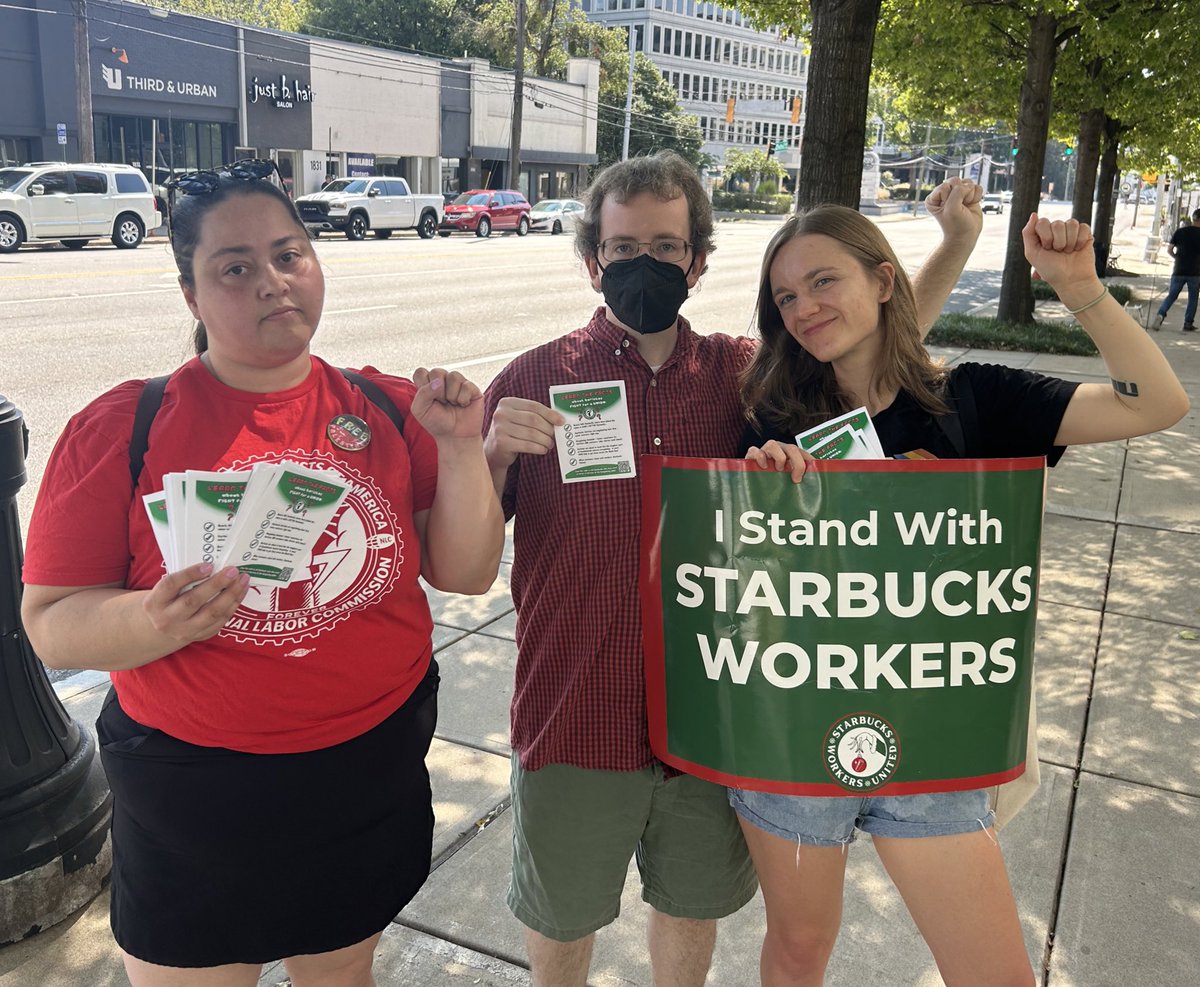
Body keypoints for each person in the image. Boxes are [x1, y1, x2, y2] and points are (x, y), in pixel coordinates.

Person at [480, 150, 984, 987]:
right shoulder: (533, 379)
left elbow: (873, 344)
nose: (644, 263)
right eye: (622, 246)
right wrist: (487, 453)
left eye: (667, 246)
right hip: (574, 716)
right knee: (560, 927)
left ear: (699, 261)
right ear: (590, 259)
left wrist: (956, 244)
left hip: (713, 719)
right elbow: (459, 550)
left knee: (689, 913)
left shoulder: (743, 377)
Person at [20, 161, 505, 987]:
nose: (273, 282)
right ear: (191, 296)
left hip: (365, 771)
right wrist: (154, 621)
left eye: (290, 254)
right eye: (235, 267)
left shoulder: (386, 406)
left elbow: (466, 572)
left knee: (344, 969)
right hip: (194, 794)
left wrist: (461, 448)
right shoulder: (119, 427)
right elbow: (51, 615)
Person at [735, 206, 1189, 986]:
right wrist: (759, 489)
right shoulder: (773, 413)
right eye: (784, 297)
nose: (803, 307)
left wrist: (1079, 289)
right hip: (795, 732)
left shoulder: (976, 400)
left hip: (935, 738)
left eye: (821, 281)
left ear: (883, 281)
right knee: (799, 947)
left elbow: (1156, 403)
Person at [1153, 208, 1200, 331]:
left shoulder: (1180, 232)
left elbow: (1169, 249)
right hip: (1195, 272)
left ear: (1193, 218)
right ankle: (1188, 323)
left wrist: (1176, 258)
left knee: (1172, 295)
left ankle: (1161, 314)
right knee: (1193, 298)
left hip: (1178, 269)